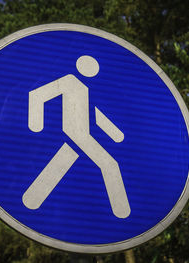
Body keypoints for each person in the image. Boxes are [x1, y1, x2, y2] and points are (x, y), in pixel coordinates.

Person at [23, 55, 130, 218]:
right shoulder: (68, 81)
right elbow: (38, 95)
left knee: (62, 162)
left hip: (81, 134)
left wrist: (115, 134)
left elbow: (95, 114)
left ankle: (32, 200)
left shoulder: (87, 89)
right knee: (109, 164)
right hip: (75, 133)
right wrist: (36, 124)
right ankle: (122, 211)